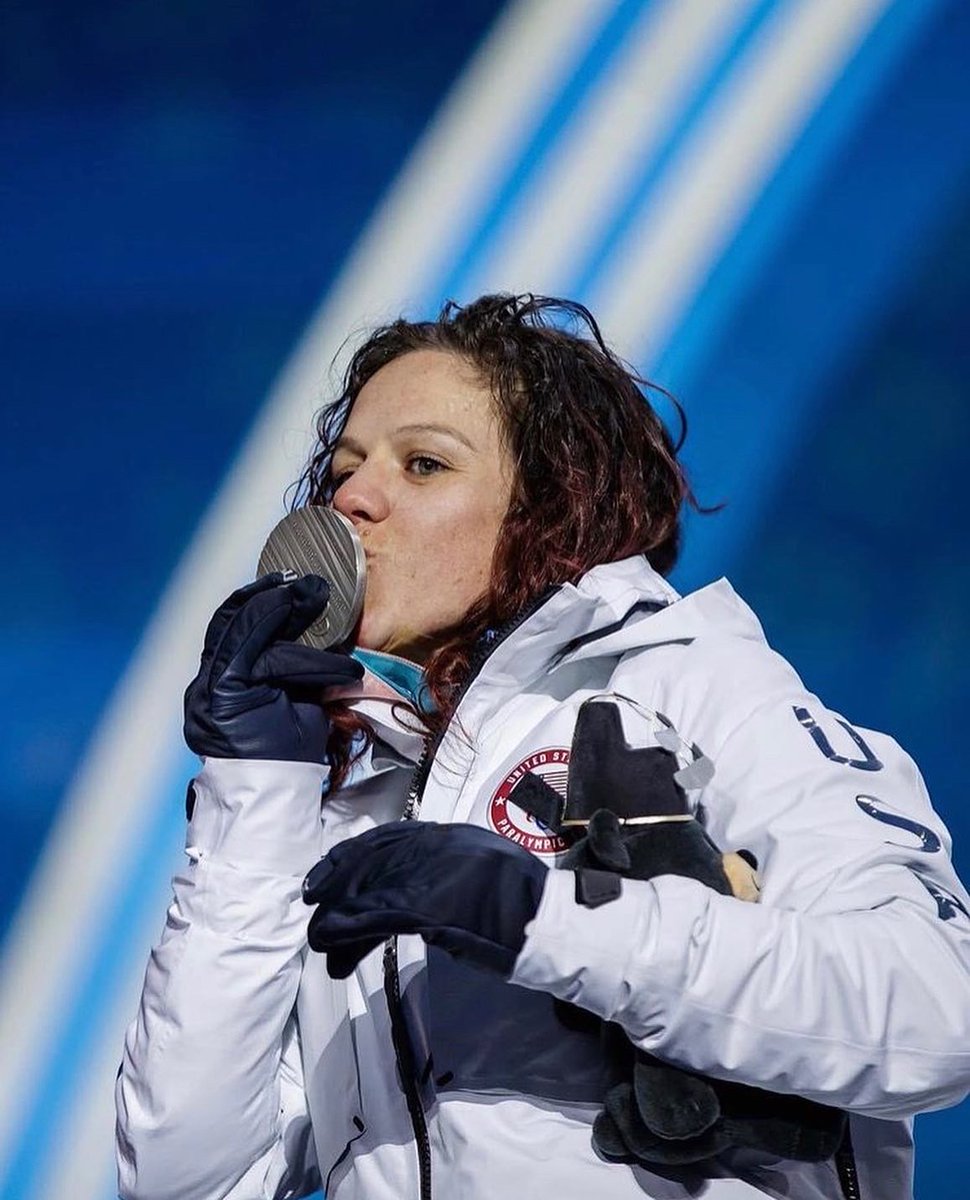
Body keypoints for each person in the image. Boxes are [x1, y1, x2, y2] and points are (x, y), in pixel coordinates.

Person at [115, 294, 970, 1200]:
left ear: (551, 506)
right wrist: (256, 794)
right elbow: (188, 1181)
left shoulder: (700, 688)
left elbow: (938, 1009)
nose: (354, 499)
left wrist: (545, 921)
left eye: (425, 464)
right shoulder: (353, 814)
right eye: (344, 469)